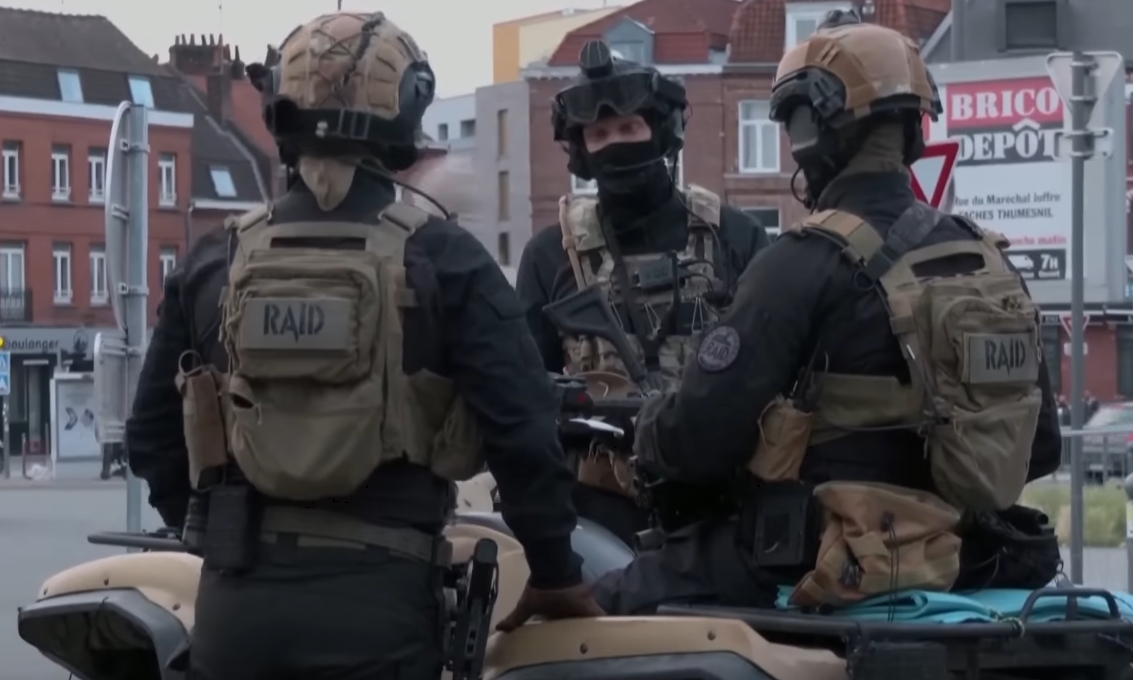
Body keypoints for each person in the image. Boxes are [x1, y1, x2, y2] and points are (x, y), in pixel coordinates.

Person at [125, 12, 599, 680]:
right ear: (407, 108)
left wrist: (224, 543)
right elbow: (523, 430)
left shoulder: (214, 261)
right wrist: (554, 570)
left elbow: (151, 439)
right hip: (383, 607)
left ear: (278, 111)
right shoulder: (446, 259)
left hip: (238, 615)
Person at [592, 10, 1064, 615]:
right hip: (969, 558)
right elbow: (1041, 447)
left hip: (821, 561)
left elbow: (696, 441)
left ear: (811, 131)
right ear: (915, 133)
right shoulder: (986, 261)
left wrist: (651, 423)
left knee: (584, 614)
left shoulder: (801, 263)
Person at [516, 39, 770, 546]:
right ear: (582, 152)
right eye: (600, 134)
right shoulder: (552, 254)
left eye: (630, 128)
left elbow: (774, 370)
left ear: (662, 131)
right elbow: (524, 393)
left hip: (723, 507)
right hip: (595, 513)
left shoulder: (734, 236)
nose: (616, 144)